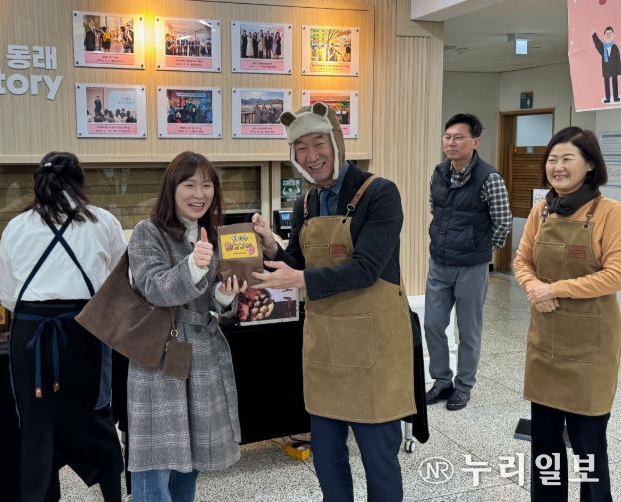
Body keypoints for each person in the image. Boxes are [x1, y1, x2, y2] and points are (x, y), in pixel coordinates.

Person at [251, 103, 416, 501]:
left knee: (379, 460)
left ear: (337, 143)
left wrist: (300, 279)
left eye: (318, 143)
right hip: (324, 348)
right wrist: (272, 248)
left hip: (373, 349)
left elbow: (367, 268)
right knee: (327, 459)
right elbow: (298, 262)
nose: (311, 156)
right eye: (301, 148)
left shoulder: (380, 193)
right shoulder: (306, 203)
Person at [0, 152, 125, 502]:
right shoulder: (103, 221)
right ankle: (112, 496)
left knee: (36, 425)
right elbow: (119, 280)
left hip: (30, 335)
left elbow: (8, 296)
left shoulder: (16, 226)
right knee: (96, 418)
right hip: (85, 330)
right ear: (80, 181)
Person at [126, 151, 246, 502]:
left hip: (202, 354)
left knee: (189, 460)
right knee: (156, 458)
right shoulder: (148, 232)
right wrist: (192, 265)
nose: (199, 194)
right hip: (160, 356)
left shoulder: (212, 234)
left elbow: (210, 304)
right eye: (189, 185)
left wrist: (224, 296)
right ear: (172, 189)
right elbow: (153, 287)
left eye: (207, 185)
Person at [513, 127, 621, 501]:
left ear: (590, 164)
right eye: (552, 159)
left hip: (590, 351)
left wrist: (554, 289)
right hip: (546, 346)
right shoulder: (542, 211)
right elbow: (522, 260)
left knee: (588, 445)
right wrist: (532, 287)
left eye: (567, 159)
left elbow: (615, 274)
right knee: (545, 445)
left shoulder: (609, 213)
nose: (557, 167)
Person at [424, 113, 512, 411]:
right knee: (433, 324)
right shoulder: (438, 173)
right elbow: (435, 209)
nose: (451, 143)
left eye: (458, 137)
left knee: (468, 330)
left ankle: (463, 386)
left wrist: (481, 250)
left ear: (475, 141)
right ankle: (441, 381)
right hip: (439, 262)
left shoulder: (490, 178)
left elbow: (503, 221)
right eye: (447, 137)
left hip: (472, 267)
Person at [592, 27, 621, 103]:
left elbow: (618, 59)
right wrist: (594, 35)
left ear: (613, 35)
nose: (608, 35)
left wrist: (619, 71)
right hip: (606, 68)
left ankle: (615, 97)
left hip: (614, 68)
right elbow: (598, 44)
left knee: (615, 83)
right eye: (607, 33)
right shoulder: (603, 47)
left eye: (610, 33)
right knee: (606, 84)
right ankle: (607, 98)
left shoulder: (615, 47)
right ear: (604, 36)